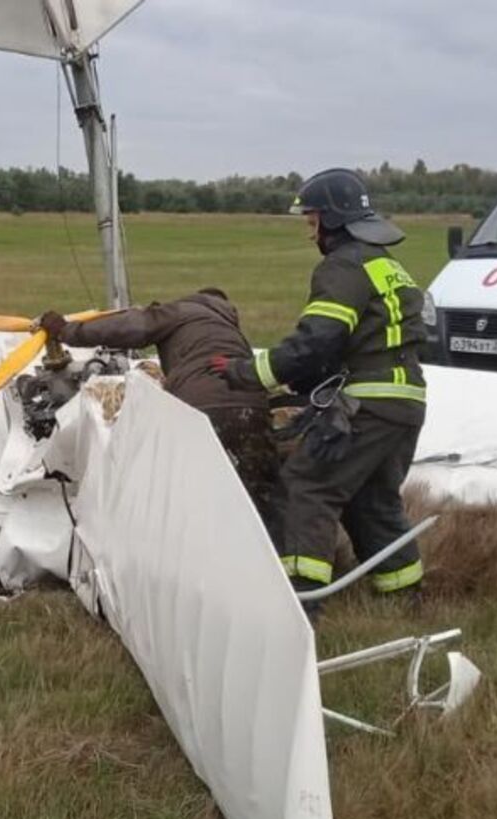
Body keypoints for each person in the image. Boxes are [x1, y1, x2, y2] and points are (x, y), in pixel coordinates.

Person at [215, 168, 429, 604]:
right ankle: (406, 600)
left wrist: (246, 373)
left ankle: (301, 603)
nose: (310, 235)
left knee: (306, 487)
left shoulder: (343, 266)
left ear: (332, 222)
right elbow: (347, 346)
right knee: (373, 502)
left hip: (368, 405)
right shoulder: (388, 266)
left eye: (311, 223)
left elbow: (317, 341)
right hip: (406, 403)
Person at [36, 288, 277, 512]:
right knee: (258, 496)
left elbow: (131, 328)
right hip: (254, 407)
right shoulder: (230, 331)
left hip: (201, 408)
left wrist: (65, 331)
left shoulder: (184, 310)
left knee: (193, 494)